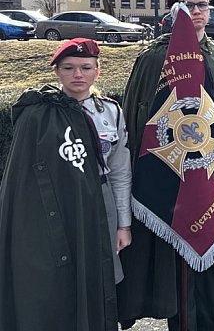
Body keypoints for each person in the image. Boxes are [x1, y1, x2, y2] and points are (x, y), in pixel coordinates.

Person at [117, 0, 214, 331]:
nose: (198, 12)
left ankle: (212, 322)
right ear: (175, 14)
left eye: (202, 5)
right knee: (177, 263)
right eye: (189, 7)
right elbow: (136, 114)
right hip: (171, 170)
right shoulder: (154, 58)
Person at [0, 38, 129, 331]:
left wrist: (123, 224)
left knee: (98, 278)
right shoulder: (38, 113)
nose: (78, 75)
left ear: (98, 70)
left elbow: (120, 172)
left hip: (100, 206)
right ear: (57, 72)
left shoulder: (111, 112)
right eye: (68, 68)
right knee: (60, 284)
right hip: (57, 208)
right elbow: (23, 174)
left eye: (86, 67)